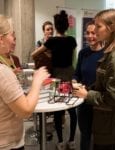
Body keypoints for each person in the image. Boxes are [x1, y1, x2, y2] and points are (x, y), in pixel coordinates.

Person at [72, 9, 115, 150]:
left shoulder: (114, 56)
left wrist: (86, 94)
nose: (94, 31)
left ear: (112, 27)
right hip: (109, 120)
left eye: (98, 26)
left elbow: (113, 97)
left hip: (108, 121)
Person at [0, 14, 50, 150]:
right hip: (8, 144)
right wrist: (37, 81)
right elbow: (26, 111)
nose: (14, 41)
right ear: (1, 39)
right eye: (12, 35)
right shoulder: (3, 72)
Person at [32, 10, 77, 150]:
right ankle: (72, 141)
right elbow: (70, 57)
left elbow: (34, 54)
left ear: (56, 27)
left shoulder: (51, 41)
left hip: (56, 78)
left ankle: (61, 142)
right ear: (67, 27)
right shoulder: (72, 40)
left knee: (58, 111)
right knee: (71, 110)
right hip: (69, 76)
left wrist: (49, 54)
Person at [72, 20, 104, 150]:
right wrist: (74, 81)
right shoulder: (83, 53)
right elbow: (77, 74)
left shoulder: (107, 54)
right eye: (88, 33)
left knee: (99, 138)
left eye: (94, 33)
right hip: (83, 101)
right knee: (85, 135)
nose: (90, 36)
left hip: (99, 102)